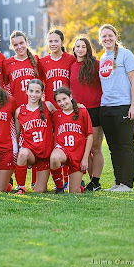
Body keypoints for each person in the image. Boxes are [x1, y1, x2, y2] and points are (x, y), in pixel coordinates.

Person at [98, 24, 134, 192]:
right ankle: (118, 182)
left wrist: (133, 105)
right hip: (106, 108)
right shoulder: (102, 58)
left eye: (110, 35)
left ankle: (127, 184)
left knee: (125, 145)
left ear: (116, 36)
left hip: (123, 106)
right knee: (113, 147)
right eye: (104, 36)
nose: (107, 38)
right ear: (100, 40)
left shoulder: (126, 54)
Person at [39, 28, 76, 189]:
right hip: (50, 108)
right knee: (50, 143)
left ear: (62, 42)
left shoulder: (71, 59)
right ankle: (55, 181)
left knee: (68, 142)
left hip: (66, 108)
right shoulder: (42, 61)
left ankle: (70, 178)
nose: (53, 44)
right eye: (50, 41)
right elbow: (39, 84)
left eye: (56, 41)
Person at [2, 31, 40, 190]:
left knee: (37, 143)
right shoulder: (8, 63)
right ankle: (12, 179)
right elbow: (4, 86)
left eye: (21, 43)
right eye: (15, 44)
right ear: (12, 46)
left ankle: (34, 180)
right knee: (15, 144)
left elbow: (41, 83)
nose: (19, 47)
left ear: (26, 42)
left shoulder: (36, 60)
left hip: (34, 109)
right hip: (16, 111)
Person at [70, 35, 104, 191]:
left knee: (95, 148)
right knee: (84, 149)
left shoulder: (96, 65)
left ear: (88, 49)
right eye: (77, 46)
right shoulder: (71, 66)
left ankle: (96, 181)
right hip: (78, 112)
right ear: (74, 49)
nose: (80, 49)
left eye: (83, 46)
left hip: (95, 109)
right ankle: (91, 181)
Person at [14, 79, 59, 194]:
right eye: (31, 91)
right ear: (27, 91)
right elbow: (17, 134)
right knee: (23, 153)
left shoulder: (48, 106)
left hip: (45, 154)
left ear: (42, 94)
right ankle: (21, 187)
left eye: (37, 92)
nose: (34, 94)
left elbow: (61, 119)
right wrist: (16, 153)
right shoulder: (20, 111)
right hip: (31, 153)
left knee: (39, 191)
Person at [50, 87, 93, 194]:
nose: (62, 103)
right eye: (58, 101)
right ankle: (59, 188)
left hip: (78, 154)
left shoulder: (82, 112)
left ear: (70, 97)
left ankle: (78, 187)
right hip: (62, 150)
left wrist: (85, 158)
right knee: (54, 158)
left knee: (74, 192)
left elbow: (90, 136)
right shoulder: (56, 115)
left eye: (64, 99)